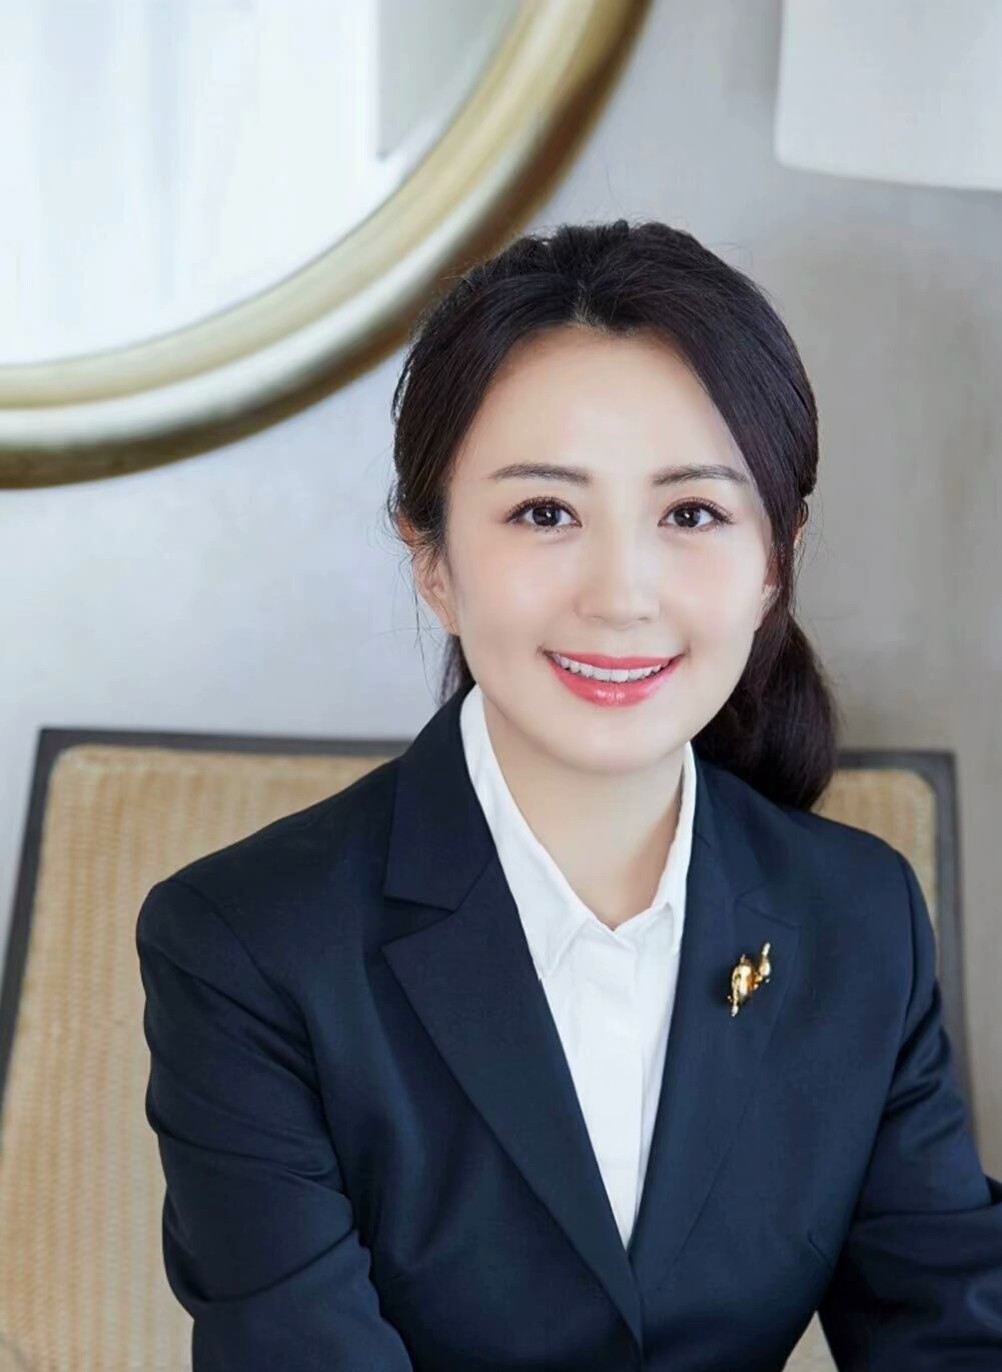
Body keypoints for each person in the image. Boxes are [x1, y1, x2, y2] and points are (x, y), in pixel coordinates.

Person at [136, 219, 1002, 1371]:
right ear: (431, 558)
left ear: (774, 560)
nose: (621, 595)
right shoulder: (249, 944)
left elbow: (951, 1328)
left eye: (691, 514)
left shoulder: (859, 917)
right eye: (545, 513)